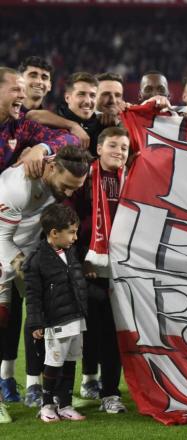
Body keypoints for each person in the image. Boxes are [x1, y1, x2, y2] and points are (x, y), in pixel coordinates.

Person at [0, 145, 91, 420]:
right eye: (66, 186)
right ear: (51, 169)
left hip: (26, 250)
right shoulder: (16, 188)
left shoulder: (52, 165)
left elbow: (65, 135)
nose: (69, 193)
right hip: (4, 248)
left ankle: (38, 389)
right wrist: (28, 272)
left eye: (76, 187)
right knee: (2, 319)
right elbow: (2, 238)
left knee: (45, 318)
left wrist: (41, 147)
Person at [68, 127, 129, 413]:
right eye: (113, 146)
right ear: (100, 148)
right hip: (90, 265)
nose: (119, 152)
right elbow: (72, 220)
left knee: (113, 334)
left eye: (125, 148)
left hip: (123, 266)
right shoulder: (85, 178)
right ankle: (73, 388)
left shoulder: (132, 177)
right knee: (91, 332)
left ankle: (110, 393)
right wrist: (81, 260)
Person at [25, 203, 88, 422]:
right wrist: (35, 323)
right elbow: (32, 296)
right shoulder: (36, 260)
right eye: (71, 232)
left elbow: (76, 281)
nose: (75, 237)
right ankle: (47, 406)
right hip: (56, 322)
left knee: (71, 361)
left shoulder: (70, 252)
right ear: (54, 233)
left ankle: (66, 404)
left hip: (76, 317)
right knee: (54, 362)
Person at [0, 67, 80, 176]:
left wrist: (41, 148)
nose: (23, 96)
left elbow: (72, 139)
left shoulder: (21, 125)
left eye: (23, 90)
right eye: (15, 89)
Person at [17, 57, 91, 150]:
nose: (39, 81)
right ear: (20, 80)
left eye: (44, 77)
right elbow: (32, 115)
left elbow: (71, 139)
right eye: (33, 75)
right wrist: (73, 125)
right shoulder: (6, 113)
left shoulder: (55, 123)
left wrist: (42, 149)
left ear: (49, 86)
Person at [56, 72, 104, 157]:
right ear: (67, 98)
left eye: (92, 95)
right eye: (81, 94)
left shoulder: (103, 126)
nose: (87, 101)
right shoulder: (52, 125)